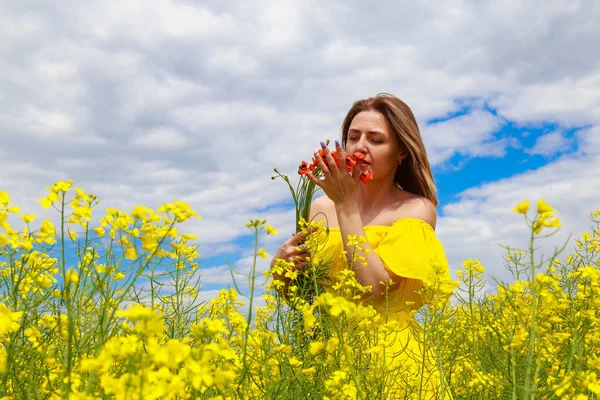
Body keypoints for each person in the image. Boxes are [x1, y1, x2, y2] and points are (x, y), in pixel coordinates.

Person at [270, 93, 454, 398]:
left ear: (401, 153)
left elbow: (375, 289)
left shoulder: (415, 209)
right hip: (326, 361)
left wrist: (345, 204)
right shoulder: (320, 207)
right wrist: (282, 270)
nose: (360, 147)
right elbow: (305, 296)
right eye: (353, 137)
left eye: (376, 139)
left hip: (393, 366)